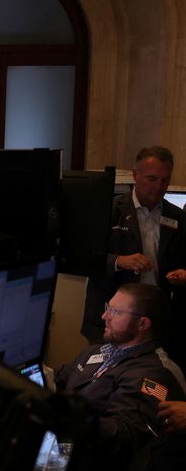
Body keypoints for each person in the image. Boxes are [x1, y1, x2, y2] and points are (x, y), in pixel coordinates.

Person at [57, 282, 186, 469]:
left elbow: (122, 436)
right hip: (64, 446)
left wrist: (69, 416)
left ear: (143, 323)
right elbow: (61, 378)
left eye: (115, 312)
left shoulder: (154, 374)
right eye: (107, 308)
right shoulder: (99, 350)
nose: (104, 316)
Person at [81, 146, 186, 368]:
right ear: (135, 175)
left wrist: (183, 274)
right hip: (111, 319)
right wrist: (119, 262)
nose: (159, 187)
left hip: (156, 321)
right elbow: (83, 258)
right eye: (152, 178)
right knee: (105, 382)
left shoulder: (177, 217)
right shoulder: (109, 210)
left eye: (165, 181)